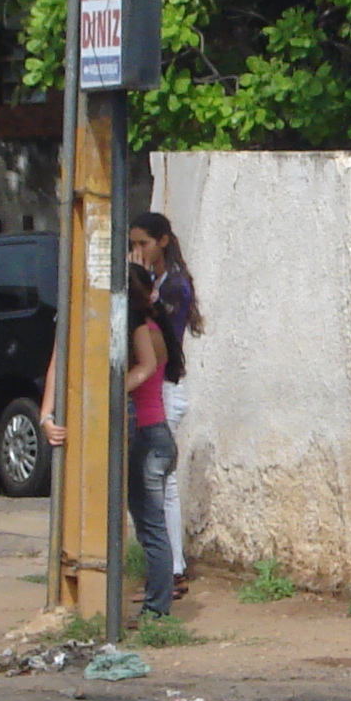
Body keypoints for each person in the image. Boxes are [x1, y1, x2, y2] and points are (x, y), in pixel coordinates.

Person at [128, 211, 205, 597]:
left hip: (167, 388)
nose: (137, 252)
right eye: (133, 244)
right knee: (163, 482)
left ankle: (171, 570)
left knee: (161, 484)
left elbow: (161, 340)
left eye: (142, 243)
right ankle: (170, 567)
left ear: (161, 241)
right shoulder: (162, 280)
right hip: (165, 388)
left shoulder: (170, 285)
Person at [124, 262, 181, 621]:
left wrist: (109, 389)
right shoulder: (155, 326)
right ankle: (156, 603)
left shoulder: (144, 329)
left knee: (151, 526)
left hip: (149, 434)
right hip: (154, 434)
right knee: (149, 524)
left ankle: (157, 609)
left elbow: (144, 369)